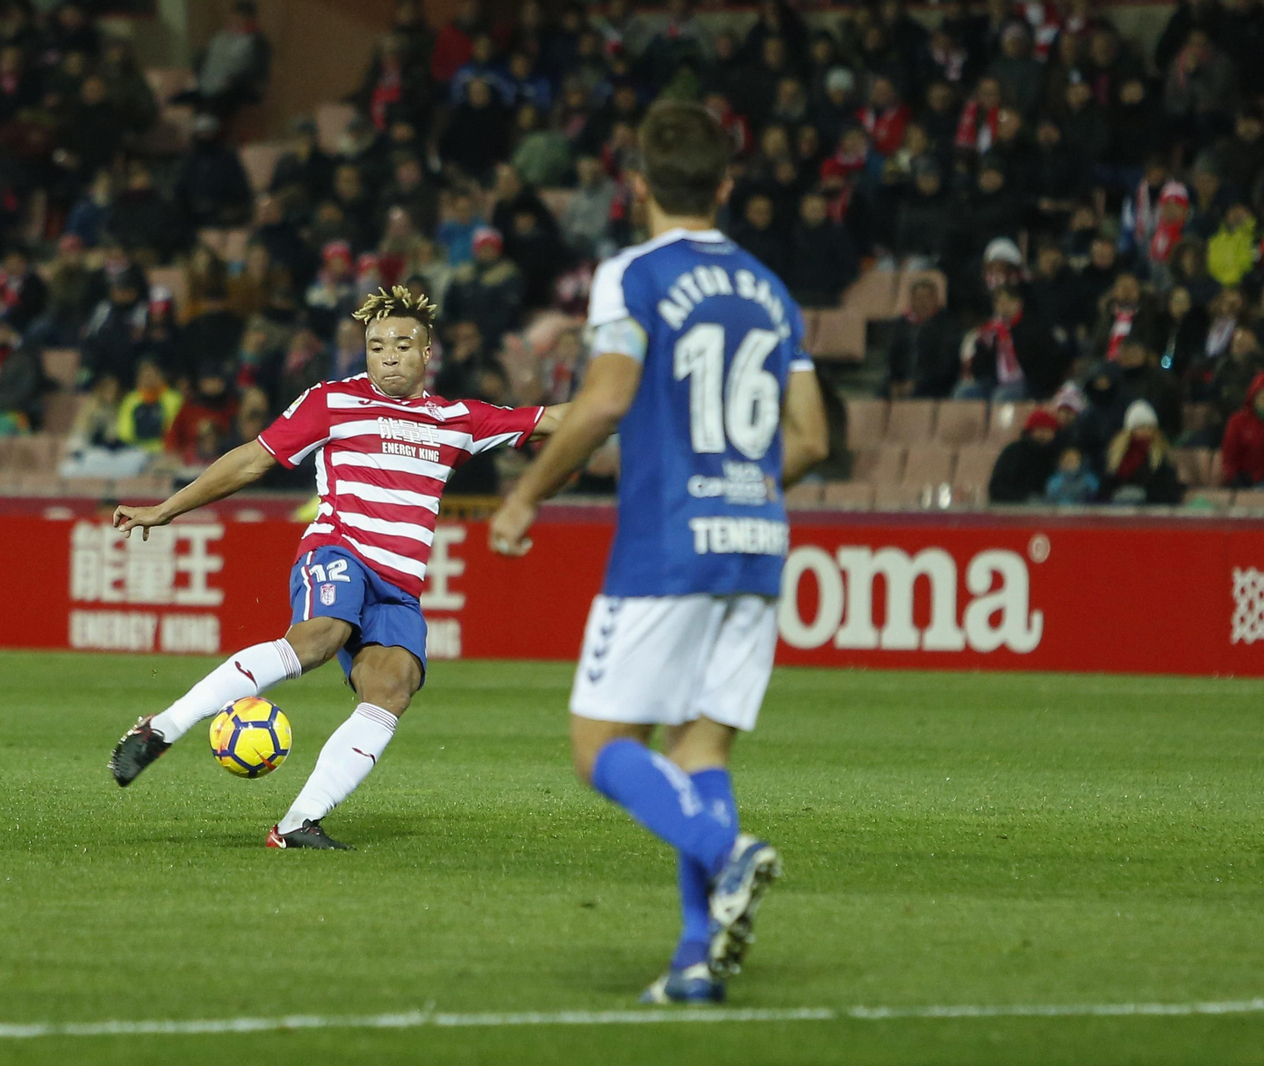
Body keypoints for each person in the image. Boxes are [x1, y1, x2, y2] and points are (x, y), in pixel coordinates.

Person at [487, 100, 829, 1004]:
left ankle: (730, 854)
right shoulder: (770, 288)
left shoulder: (631, 275)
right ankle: (693, 962)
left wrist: (524, 494)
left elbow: (602, 402)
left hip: (668, 544)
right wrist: (744, 486)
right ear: (724, 185)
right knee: (700, 747)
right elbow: (813, 436)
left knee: (598, 744)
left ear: (636, 185)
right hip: (755, 540)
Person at [107, 285, 568, 850]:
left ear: (428, 354)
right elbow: (252, 459)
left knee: (393, 687)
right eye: (376, 345)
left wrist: (635, 404)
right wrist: (167, 509)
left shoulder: (458, 419)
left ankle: (298, 823)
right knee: (320, 638)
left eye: (403, 344)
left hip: (398, 588)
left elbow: (557, 419)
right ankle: (164, 727)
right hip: (339, 552)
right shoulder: (331, 401)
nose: (389, 354)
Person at [988, 408, 1060, 503]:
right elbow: (997, 488)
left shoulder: (1055, 454)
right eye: (1041, 430)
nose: (1045, 435)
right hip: (1013, 508)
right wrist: (1024, 499)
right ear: (1030, 432)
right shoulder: (1013, 452)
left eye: (1049, 431)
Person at [1219, 372, 1264, 487]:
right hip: (1246, 484)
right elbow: (1229, 457)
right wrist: (1234, 477)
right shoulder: (1238, 422)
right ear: (1254, 397)